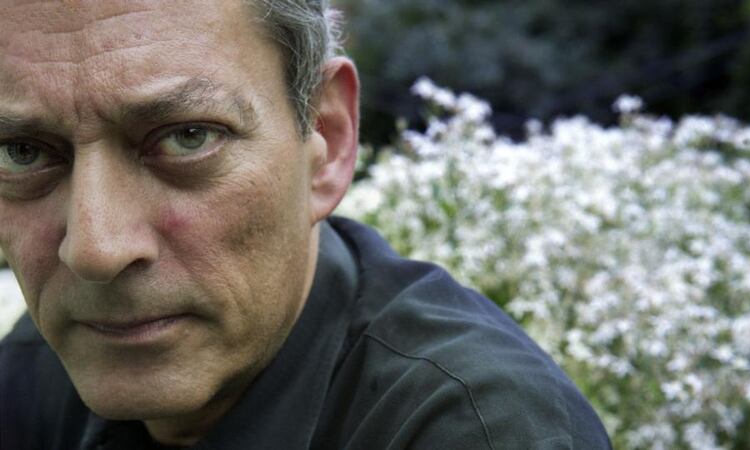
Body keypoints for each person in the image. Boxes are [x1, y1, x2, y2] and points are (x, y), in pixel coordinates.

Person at [0, 1, 611, 448]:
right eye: (23, 152)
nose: (96, 249)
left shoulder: (478, 430)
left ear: (328, 137)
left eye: (187, 137)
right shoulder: (34, 371)